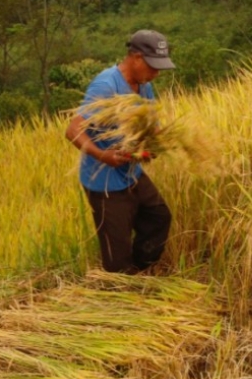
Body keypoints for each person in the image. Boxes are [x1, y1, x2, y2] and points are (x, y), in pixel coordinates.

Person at [65, 29, 175, 274]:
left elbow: (151, 125)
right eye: (153, 66)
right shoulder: (106, 86)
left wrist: (156, 144)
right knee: (117, 260)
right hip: (105, 183)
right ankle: (122, 280)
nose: (156, 73)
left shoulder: (144, 86)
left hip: (131, 172)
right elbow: (72, 130)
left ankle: (139, 270)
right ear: (136, 58)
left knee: (158, 217)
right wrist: (103, 156)